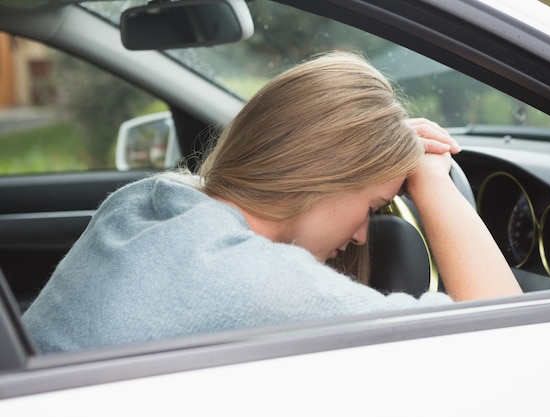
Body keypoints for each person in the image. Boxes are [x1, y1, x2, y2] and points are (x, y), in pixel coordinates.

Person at [22, 52, 521, 353]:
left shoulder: (141, 202)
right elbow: (505, 340)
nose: (362, 236)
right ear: (328, 172)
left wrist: (377, 154)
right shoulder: (254, 282)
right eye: (372, 207)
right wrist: (432, 182)